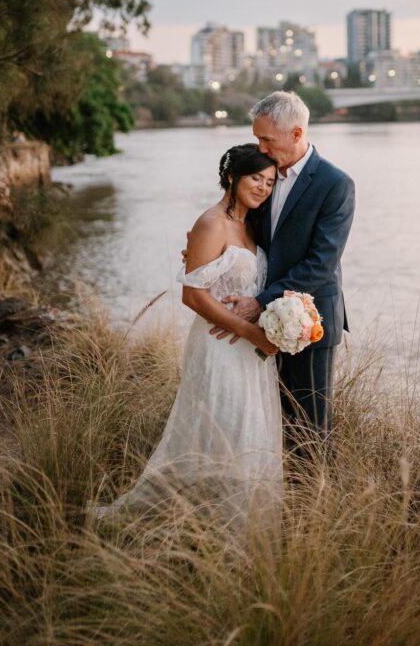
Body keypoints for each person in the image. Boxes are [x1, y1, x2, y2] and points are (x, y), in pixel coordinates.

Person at [93, 144, 281, 522]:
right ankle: (193, 521)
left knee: (250, 431)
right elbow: (193, 295)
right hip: (220, 346)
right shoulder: (211, 223)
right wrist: (249, 331)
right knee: (222, 426)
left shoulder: (252, 225)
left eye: (270, 182)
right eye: (256, 178)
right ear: (232, 177)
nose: (263, 188)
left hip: (251, 351)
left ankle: (241, 526)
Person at [220, 91, 355, 449]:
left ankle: (317, 502)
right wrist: (208, 249)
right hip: (262, 326)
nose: (260, 147)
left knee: (311, 430)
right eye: (256, 137)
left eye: (266, 139)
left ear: (296, 134)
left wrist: (261, 301)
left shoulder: (335, 184)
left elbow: (321, 263)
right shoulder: (263, 174)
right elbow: (242, 228)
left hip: (311, 323)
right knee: (272, 424)